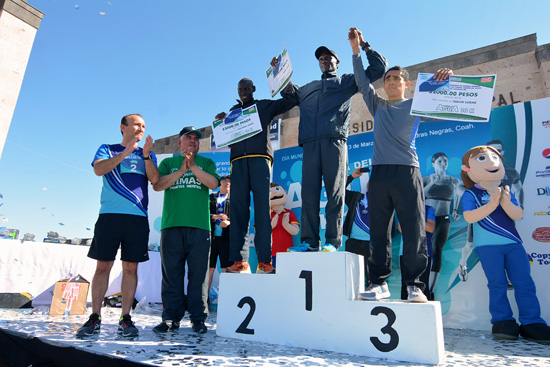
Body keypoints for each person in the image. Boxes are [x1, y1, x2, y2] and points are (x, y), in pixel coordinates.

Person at [349, 28, 453, 303]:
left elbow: (443, 97)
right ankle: (378, 283)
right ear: (384, 85)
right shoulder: (378, 105)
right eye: (388, 79)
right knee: (379, 231)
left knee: (414, 228)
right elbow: (361, 81)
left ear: (407, 84)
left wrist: (446, 81)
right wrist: (356, 51)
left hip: (408, 171)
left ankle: (415, 286)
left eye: (397, 78)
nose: (392, 81)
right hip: (381, 174)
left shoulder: (417, 105)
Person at [273, 28, 387, 253]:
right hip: (310, 145)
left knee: (335, 194)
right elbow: (286, 91)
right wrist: (278, 71)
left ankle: (332, 242)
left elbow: (377, 70)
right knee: (309, 196)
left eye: (329, 58)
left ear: (337, 62)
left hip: (334, 143)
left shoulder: (346, 81)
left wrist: (364, 46)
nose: (324, 61)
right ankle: (309, 242)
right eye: (321, 59)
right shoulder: (306, 89)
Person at [77, 114, 159, 338]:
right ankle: (95, 317)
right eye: (136, 124)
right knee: (103, 266)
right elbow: (99, 170)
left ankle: (125, 317)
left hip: (137, 217)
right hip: (109, 216)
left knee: (131, 269)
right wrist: (125, 153)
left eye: (143, 126)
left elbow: (155, 180)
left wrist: (146, 156)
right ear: (123, 127)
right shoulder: (107, 148)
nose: (141, 128)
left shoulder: (147, 154)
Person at [460, 145, 550, 343]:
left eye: (494, 157)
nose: (492, 162)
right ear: (468, 169)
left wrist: (506, 202)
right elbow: (469, 217)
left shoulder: (506, 191)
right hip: (487, 247)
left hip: (513, 243)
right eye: (483, 158)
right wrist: (491, 204)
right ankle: (502, 321)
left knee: (524, 283)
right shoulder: (471, 194)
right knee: (497, 284)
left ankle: (532, 322)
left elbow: (518, 214)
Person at [214, 78, 297, 274]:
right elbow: (224, 135)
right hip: (237, 162)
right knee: (238, 212)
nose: (243, 92)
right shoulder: (232, 113)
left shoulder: (263, 106)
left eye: (247, 89)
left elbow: (291, 100)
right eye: (240, 89)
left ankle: (265, 261)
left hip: (260, 159)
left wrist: (280, 78)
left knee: (262, 210)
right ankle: (239, 260)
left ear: (253, 89)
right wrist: (221, 123)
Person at [152, 127, 219, 334]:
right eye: (188, 138)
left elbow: (214, 183)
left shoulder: (206, 162)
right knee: (172, 275)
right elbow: (157, 185)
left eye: (196, 139)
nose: (192, 141)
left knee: (199, 276)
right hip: (171, 227)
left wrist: (192, 167)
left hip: (200, 228)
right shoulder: (168, 163)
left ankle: (198, 319)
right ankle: (171, 318)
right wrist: (181, 170)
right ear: (179, 143)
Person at [422, 152, 464, 299]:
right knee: (424, 251)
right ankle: (421, 286)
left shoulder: (454, 181)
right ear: (433, 163)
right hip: (427, 220)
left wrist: (455, 211)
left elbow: (457, 196)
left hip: (443, 219)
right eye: (439, 161)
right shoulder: (426, 179)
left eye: (445, 161)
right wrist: (433, 182)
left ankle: (430, 290)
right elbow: (419, 195)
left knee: (436, 250)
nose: (443, 163)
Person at [398, 206, 436, 300]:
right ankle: (403, 313)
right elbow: (400, 228)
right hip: (406, 251)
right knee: (405, 285)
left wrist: (415, 217)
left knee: (423, 284)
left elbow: (431, 228)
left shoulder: (429, 209)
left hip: (424, 251)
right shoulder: (404, 208)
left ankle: (425, 313)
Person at [343, 167, 371, 286]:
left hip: (372, 245)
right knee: (351, 279)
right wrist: (351, 177)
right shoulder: (357, 197)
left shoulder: (386, 201)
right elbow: (338, 190)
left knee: (372, 281)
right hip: (353, 243)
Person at [208, 175, 231, 292]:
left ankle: (226, 299)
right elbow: (202, 213)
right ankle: (204, 299)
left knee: (226, 268)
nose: (227, 183)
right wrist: (216, 217)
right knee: (209, 269)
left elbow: (239, 217)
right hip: (210, 239)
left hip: (226, 239)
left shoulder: (235, 199)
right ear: (220, 183)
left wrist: (229, 221)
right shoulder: (211, 198)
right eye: (225, 181)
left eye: (229, 182)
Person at [270, 182, 300, 267]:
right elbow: (259, 233)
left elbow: (296, 231)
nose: (274, 193)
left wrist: (286, 225)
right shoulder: (265, 215)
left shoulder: (289, 213)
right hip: (271, 254)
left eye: (277, 189)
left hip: (287, 253)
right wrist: (271, 225)